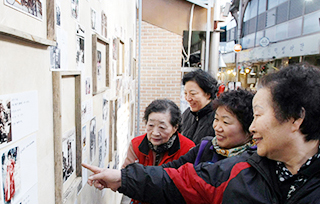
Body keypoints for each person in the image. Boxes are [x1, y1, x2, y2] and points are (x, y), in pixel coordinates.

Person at [82, 63, 320, 204]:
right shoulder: (243, 169)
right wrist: (123, 178)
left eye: (258, 116)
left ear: (295, 118)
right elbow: (180, 180)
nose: (253, 127)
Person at [121, 99, 195, 204]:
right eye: (150, 125)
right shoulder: (136, 144)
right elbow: (126, 177)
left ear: (175, 128)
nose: (155, 133)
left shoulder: (188, 148)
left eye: (162, 127)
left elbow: (187, 188)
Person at [161, 89, 255, 169]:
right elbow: (172, 170)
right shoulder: (205, 147)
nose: (217, 127)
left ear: (250, 128)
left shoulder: (254, 161)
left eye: (225, 122)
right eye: (216, 119)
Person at [181, 69, 218, 144]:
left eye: (193, 94)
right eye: (185, 93)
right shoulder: (187, 114)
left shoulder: (217, 117)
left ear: (208, 94)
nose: (188, 98)